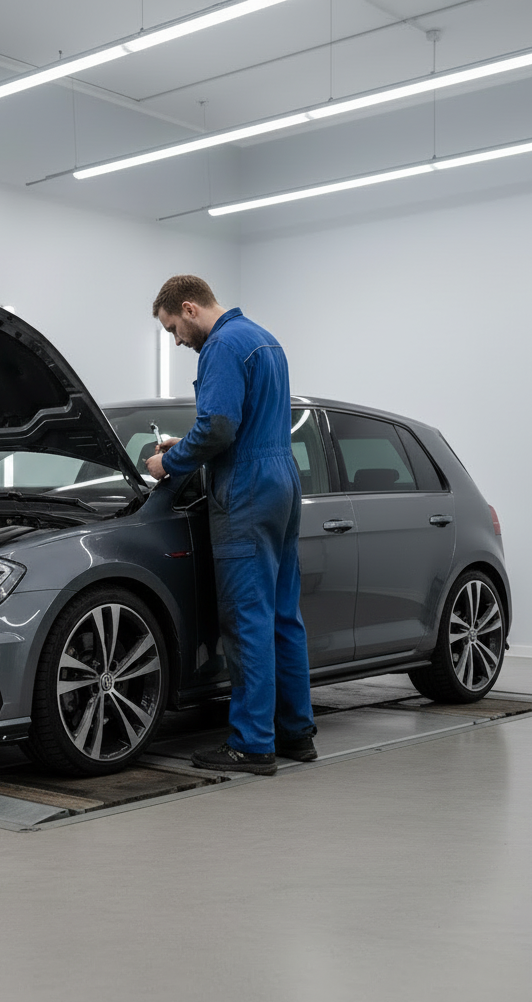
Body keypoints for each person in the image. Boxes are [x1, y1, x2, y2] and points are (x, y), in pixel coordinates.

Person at [145, 275, 317, 775]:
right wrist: (188, 444)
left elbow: (219, 426)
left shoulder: (219, 346)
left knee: (247, 619)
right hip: (281, 478)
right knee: (284, 614)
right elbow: (241, 424)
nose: (177, 340)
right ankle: (295, 733)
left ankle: (252, 743)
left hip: (245, 488)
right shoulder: (264, 340)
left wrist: (168, 465)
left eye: (173, 327)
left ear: (190, 307)